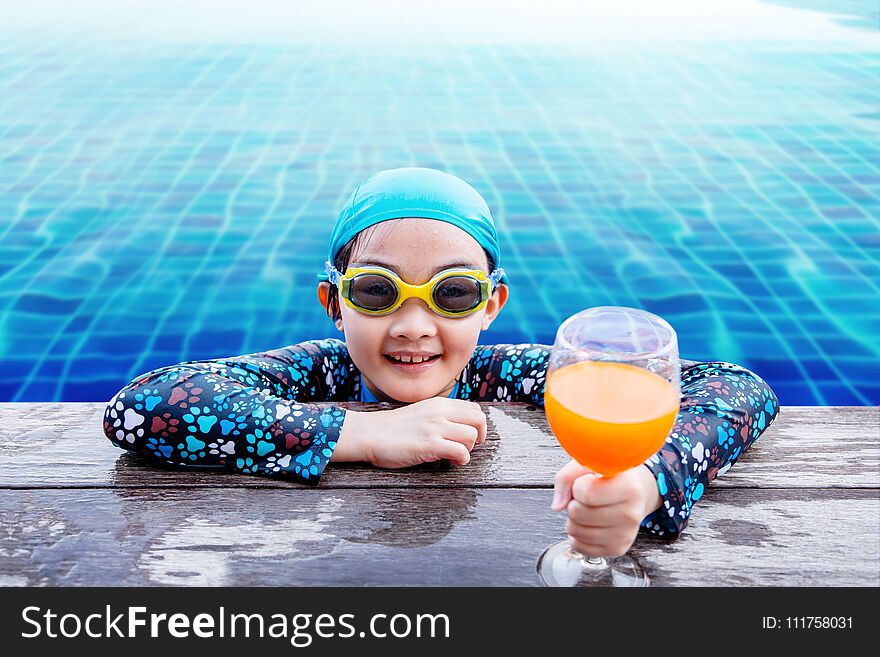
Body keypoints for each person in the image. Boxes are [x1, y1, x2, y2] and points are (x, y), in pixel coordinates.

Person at [103, 166, 780, 552]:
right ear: (333, 304)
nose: (414, 325)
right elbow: (141, 404)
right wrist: (359, 432)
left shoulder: (507, 374)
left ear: (492, 305)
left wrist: (647, 480)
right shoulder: (325, 371)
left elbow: (736, 386)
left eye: (453, 293)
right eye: (377, 290)